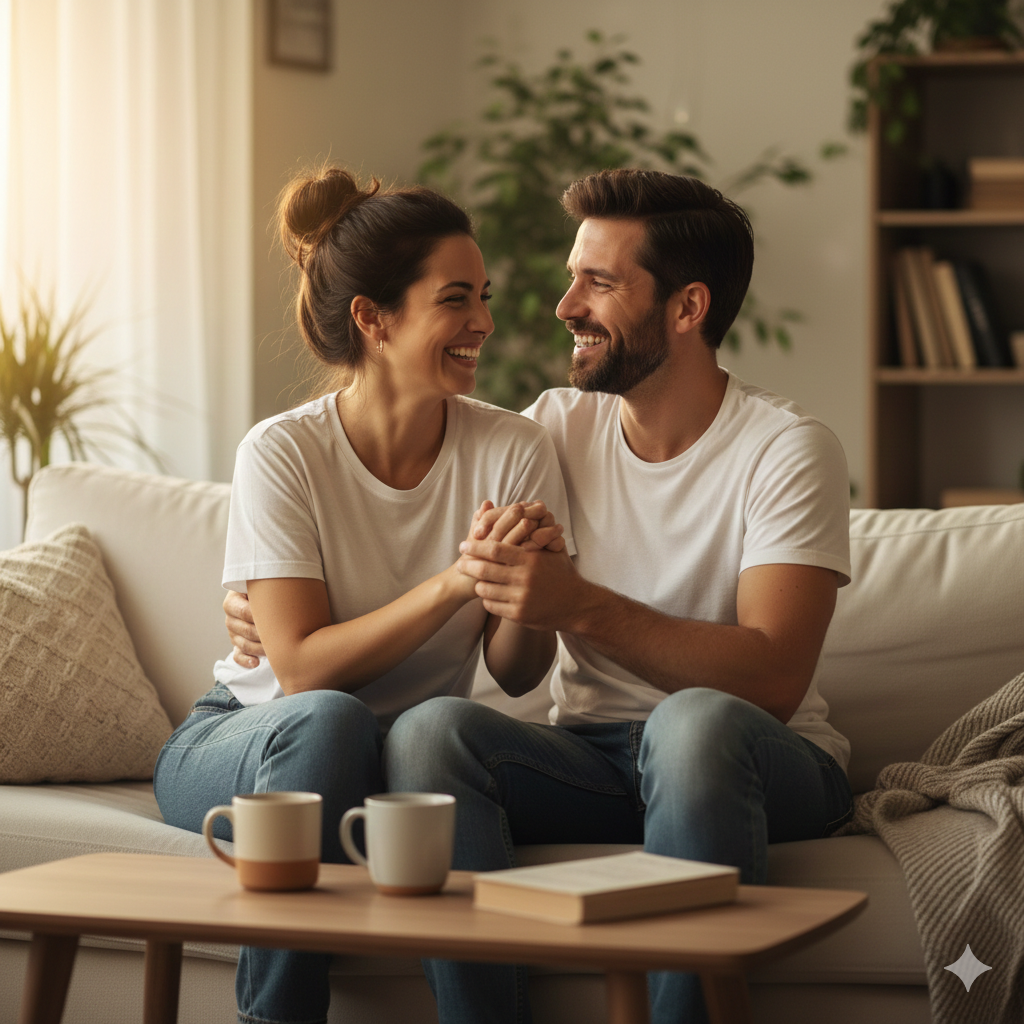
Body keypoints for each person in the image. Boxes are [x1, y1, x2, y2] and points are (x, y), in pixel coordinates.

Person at [225, 168, 854, 1024]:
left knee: (693, 722)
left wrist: (581, 605)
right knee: (433, 733)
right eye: (571, 276)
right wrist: (249, 605)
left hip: (754, 758)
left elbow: (776, 679)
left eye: (598, 281)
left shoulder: (788, 450)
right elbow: (473, 583)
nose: (563, 305)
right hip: (592, 755)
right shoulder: (553, 427)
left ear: (687, 308)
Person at [155, 166, 574, 1024]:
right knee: (331, 721)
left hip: (397, 756)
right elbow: (304, 673)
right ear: (373, 319)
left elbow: (520, 673)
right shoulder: (282, 454)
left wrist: (529, 593)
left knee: (424, 738)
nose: (485, 324)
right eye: (456, 300)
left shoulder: (514, 447)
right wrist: (458, 579)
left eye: (484, 297)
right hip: (247, 739)